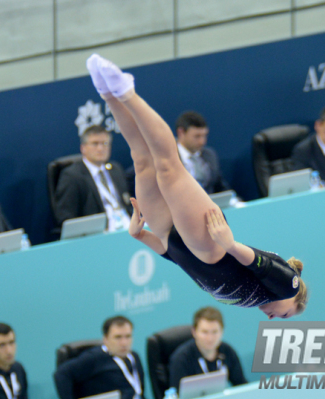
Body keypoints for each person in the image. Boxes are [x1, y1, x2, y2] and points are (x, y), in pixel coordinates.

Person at [85, 54, 307, 318]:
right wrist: (230, 246)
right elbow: (263, 263)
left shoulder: (251, 301)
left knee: (142, 161)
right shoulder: (287, 286)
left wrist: (142, 236)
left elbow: (182, 265)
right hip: (210, 246)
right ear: (296, 298)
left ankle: (108, 92)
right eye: (286, 315)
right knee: (168, 167)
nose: (275, 318)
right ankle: (126, 90)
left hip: (175, 244)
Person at [54, 316, 149, 399]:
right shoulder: (94, 358)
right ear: (105, 339)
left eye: (128, 336)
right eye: (118, 337)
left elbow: (136, 389)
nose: (124, 343)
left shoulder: (134, 357)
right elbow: (61, 374)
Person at [54, 125, 133, 231]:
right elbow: (66, 217)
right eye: (95, 144)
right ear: (83, 148)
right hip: (99, 233)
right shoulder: (72, 176)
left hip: (128, 227)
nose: (100, 148)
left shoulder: (116, 169)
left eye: (105, 144)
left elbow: (128, 203)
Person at [169, 307, 247, 390]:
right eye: (205, 332)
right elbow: (177, 397)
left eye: (215, 332)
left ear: (222, 332)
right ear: (194, 332)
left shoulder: (228, 352)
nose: (210, 338)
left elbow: (242, 386)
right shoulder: (181, 359)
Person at [176, 111, 238, 196]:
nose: (202, 142)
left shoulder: (210, 155)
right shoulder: (167, 157)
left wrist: (234, 200)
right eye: (197, 136)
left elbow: (220, 186)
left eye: (204, 135)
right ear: (181, 132)